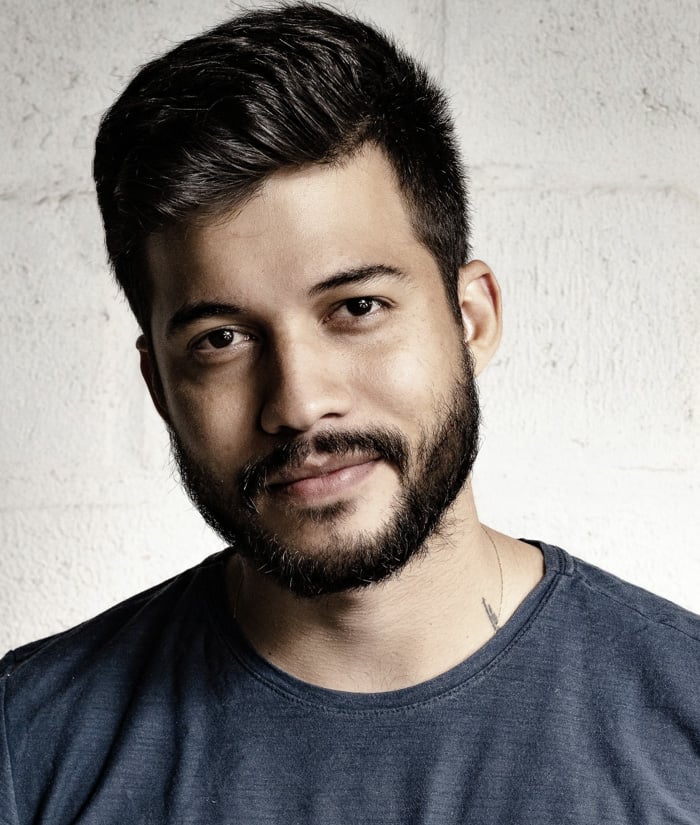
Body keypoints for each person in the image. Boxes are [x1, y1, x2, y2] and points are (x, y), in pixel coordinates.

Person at [1, 3, 698, 822]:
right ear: (159, 386)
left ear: (471, 319)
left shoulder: (681, 722)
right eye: (221, 339)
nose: (299, 402)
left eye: (357, 307)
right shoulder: (30, 746)